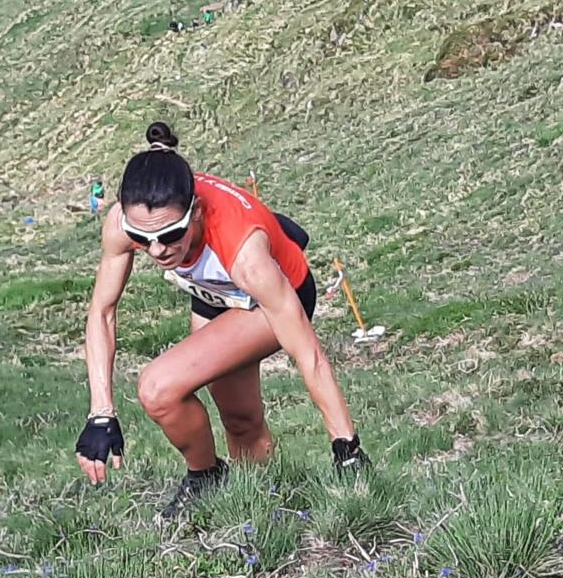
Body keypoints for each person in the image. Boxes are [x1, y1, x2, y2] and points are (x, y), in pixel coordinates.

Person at [75, 122, 370, 518]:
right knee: (241, 420)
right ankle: (256, 509)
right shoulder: (129, 222)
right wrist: (100, 412)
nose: (157, 249)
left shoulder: (243, 250)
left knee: (158, 388)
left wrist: (345, 445)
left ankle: (205, 477)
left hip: (273, 292)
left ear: (195, 211)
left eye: (172, 234)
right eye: (142, 239)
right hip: (215, 293)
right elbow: (102, 311)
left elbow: (308, 353)